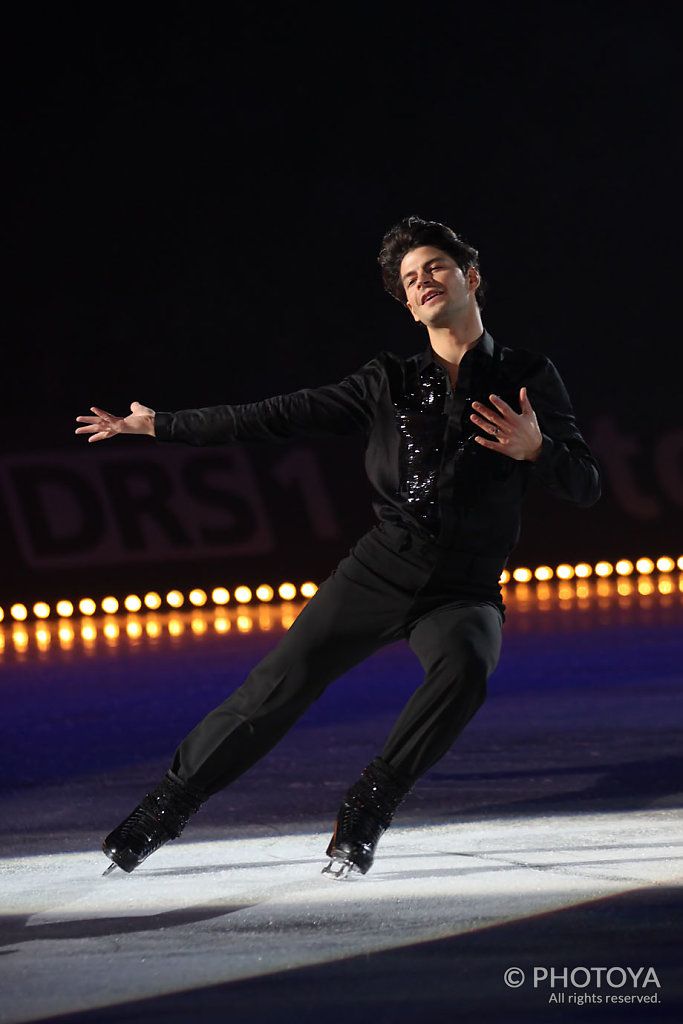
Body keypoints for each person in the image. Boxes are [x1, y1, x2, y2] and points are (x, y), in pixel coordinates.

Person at [76, 215, 600, 879]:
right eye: (410, 280)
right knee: (273, 691)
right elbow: (276, 414)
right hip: (380, 570)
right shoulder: (386, 381)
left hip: (464, 587)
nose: (423, 281)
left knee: (466, 668)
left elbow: (585, 484)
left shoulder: (528, 374)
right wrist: (161, 426)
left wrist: (538, 450)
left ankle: (367, 808)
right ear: (407, 306)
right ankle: (162, 812)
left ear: (469, 277)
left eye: (434, 267)